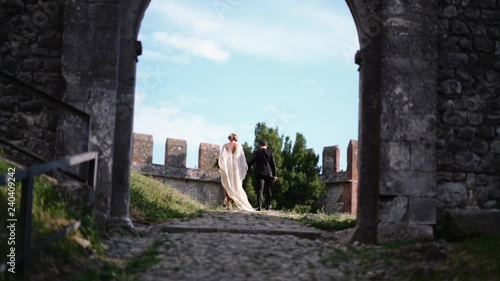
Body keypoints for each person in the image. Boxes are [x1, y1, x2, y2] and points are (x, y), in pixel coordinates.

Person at [218, 133, 254, 212]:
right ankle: (231, 202)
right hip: (236, 169)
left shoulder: (225, 146)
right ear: (236, 138)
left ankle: (227, 198)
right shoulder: (239, 146)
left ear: (229, 138)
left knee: (227, 183)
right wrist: (244, 169)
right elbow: (242, 159)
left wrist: (222, 167)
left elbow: (222, 157)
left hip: (228, 167)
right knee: (235, 185)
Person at [247, 140, 277, 211]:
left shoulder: (256, 153)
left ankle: (259, 206)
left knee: (260, 190)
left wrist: (246, 170)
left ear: (260, 145)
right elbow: (273, 165)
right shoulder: (270, 153)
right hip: (268, 173)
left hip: (259, 173)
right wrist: (275, 175)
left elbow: (251, 162)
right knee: (268, 190)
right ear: (266, 146)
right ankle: (268, 205)